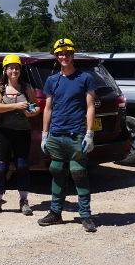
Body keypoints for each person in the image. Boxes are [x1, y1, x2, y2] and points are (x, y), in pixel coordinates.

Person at [38, 38, 98, 232]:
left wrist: (89, 134)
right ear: (56, 56)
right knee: (56, 171)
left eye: (68, 53)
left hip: (76, 134)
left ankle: (86, 216)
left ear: (73, 55)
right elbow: (47, 108)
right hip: (56, 134)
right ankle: (55, 213)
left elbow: (90, 107)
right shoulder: (52, 80)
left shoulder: (85, 78)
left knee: (78, 173)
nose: (64, 57)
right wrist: (44, 134)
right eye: (60, 54)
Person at [0, 54, 39, 216]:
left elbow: (35, 108)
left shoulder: (26, 88)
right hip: (4, 132)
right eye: (10, 68)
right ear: (5, 70)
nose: (14, 71)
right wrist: (16, 106)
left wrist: (30, 112)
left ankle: (24, 201)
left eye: (16, 68)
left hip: (22, 132)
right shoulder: (0, 88)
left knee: (22, 166)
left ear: (20, 70)